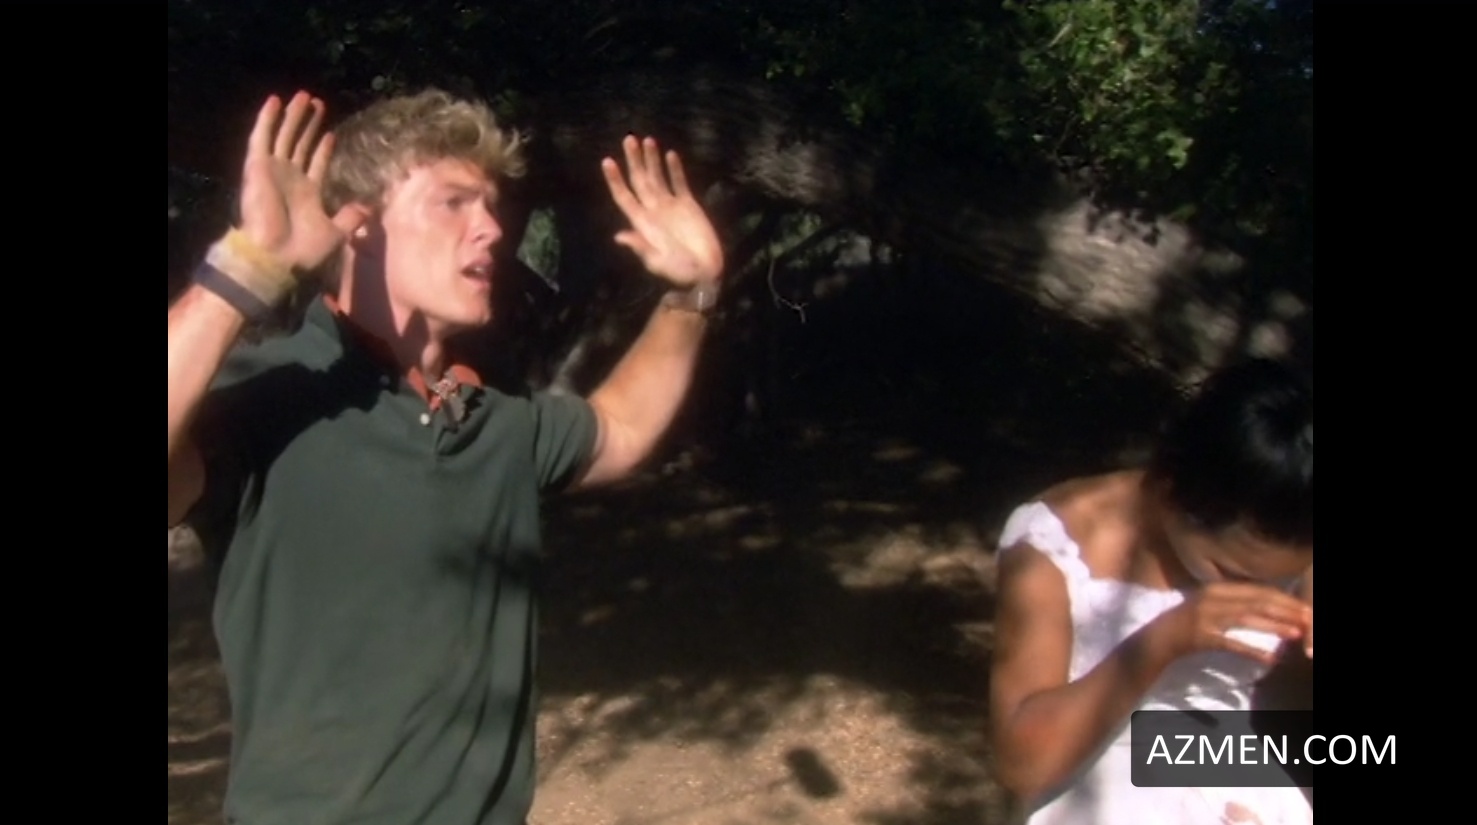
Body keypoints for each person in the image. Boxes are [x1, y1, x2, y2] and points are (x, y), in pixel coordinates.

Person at [167, 88, 725, 824]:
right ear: (359, 226)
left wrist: (691, 294)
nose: (492, 229)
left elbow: (618, 428)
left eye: (490, 206)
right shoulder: (261, 399)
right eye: (453, 203)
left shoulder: (494, 420)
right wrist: (245, 267)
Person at [988, 357, 1314, 825]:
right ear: (1168, 490)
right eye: (1232, 573)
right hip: (1094, 770)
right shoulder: (1057, 544)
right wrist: (1165, 640)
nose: (1254, 593)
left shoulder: (1289, 517)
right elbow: (1022, 768)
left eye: (1277, 578)